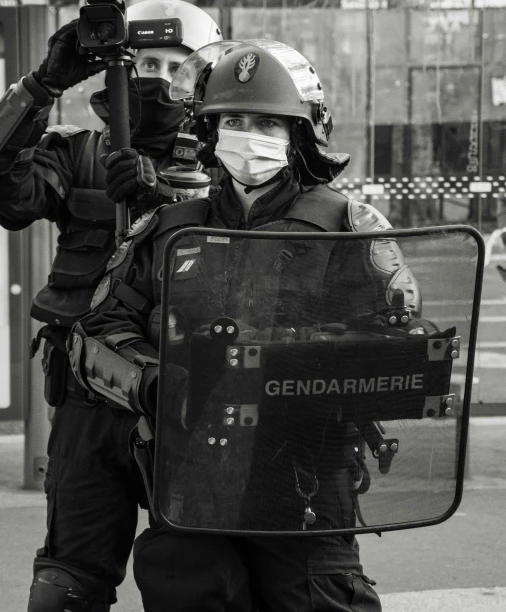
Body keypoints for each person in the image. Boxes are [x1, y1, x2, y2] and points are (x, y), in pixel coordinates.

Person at [69, 39, 427, 611]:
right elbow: (93, 336)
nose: (247, 135)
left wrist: (302, 364)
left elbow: (406, 345)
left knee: (314, 599)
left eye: (266, 121)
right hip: (189, 475)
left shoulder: (351, 227)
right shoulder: (166, 226)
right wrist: (157, 382)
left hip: (305, 477)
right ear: (209, 131)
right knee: (190, 590)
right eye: (232, 119)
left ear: (301, 133)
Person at [0, 0, 222, 612]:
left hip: (188, 402)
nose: (154, 77)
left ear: (201, 75)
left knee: (199, 580)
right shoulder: (78, 153)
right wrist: (41, 84)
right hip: (87, 399)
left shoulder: (228, 164)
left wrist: (163, 199)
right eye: (141, 62)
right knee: (66, 584)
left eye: (172, 65)